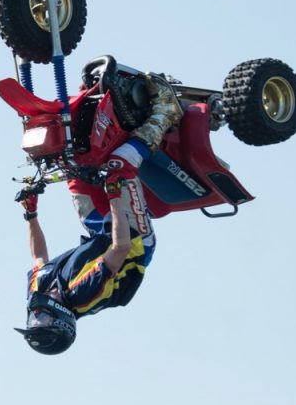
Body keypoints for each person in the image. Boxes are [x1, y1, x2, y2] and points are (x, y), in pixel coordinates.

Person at [16, 66, 182, 355]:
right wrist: (115, 194)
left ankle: (90, 101)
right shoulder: (82, 296)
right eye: (41, 321)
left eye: (33, 320)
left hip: (99, 231)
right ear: (62, 322)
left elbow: (39, 257)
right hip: (133, 240)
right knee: (120, 164)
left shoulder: (38, 291)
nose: (35, 315)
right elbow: (120, 248)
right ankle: (164, 112)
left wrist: (31, 213)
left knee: (71, 164)